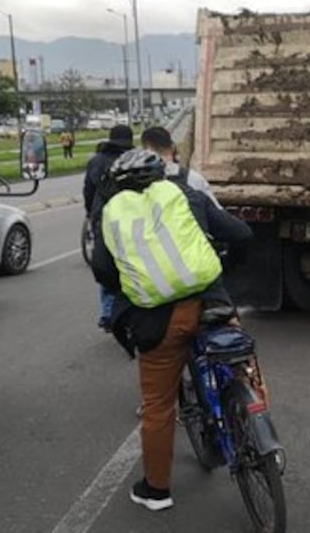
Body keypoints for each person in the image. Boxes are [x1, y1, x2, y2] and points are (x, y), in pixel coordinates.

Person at [90, 149, 253, 512]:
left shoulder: (111, 216)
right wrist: (224, 269)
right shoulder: (189, 196)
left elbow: (102, 270)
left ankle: (157, 490)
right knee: (239, 357)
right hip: (212, 302)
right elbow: (241, 234)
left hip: (159, 321)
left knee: (159, 406)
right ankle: (255, 418)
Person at [84, 124, 135, 329]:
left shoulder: (96, 161)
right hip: (130, 219)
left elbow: (88, 191)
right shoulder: (133, 160)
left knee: (105, 264)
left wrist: (91, 214)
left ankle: (107, 312)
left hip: (102, 218)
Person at [140, 126, 218, 206]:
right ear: (173, 147)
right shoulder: (193, 178)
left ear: (144, 153)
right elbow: (216, 212)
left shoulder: (140, 183)